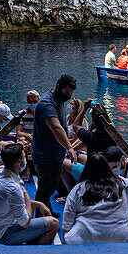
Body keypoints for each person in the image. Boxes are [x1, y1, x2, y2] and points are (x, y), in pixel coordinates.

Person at [0, 144, 59, 245]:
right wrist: (26, 196)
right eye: (24, 157)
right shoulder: (12, 188)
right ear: (19, 163)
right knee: (54, 223)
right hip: (1, 234)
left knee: (28, 208)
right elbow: (24, 223)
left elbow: (15, 202)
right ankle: (36, 252)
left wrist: (38, 204)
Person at [61, 153, 128, 244]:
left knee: (70, 237)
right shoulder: (123, 183)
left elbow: (67, 221)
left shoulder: (78, 189)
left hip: (85, 237)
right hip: (122, 237)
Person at [32, 75, 78, 210]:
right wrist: (69, 147)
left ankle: (48, 209)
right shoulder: (47, 103)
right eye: (67, 91)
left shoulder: (59, 99)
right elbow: (56, 127)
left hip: (56, 154)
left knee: (50, 185)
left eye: (71, 92)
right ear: (58, 87)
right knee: (45, 188)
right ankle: (41, 216)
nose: (69, 95)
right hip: (45, 155)